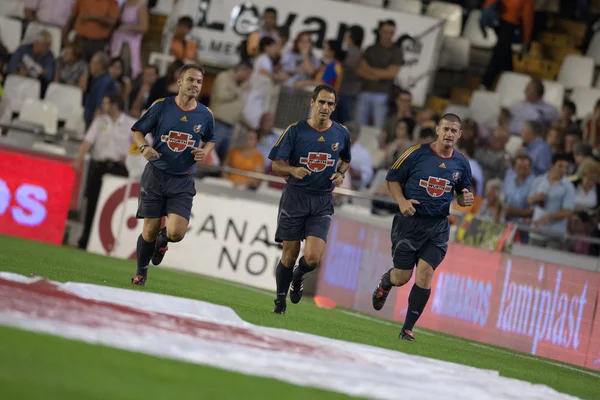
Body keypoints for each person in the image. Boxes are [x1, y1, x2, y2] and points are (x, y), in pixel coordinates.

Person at [371, 113, 474, 341]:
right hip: (409, 223)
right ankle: (386, 283)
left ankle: (407, 329)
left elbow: (461, 193)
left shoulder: (462, 163)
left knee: (425, 275)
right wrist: (402, 201)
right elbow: (392, 178)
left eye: (453, 131)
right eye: (445, 129)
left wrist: (463, 200)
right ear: (438, 129)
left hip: (437, 226)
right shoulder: (416, 153)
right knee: (402, 277)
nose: (449, 134)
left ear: (459, 134)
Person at [268, 84, 351, 314]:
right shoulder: (295, 131)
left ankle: (299, 274)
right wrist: (292, 170)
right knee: (290, 254)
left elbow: (345, 159)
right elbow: (276, 164)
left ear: (334, 107)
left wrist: (340, 174)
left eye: (330, 103)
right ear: (312, 103)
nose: (325, 107)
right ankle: (280, 300)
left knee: (313, 257)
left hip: (322, 200)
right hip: (295, 197)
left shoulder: (341, 133)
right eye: (321, 102)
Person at [130, 64, 215, 286]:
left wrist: (204, 152)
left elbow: (211, 139)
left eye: (199, 82)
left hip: (182, 178)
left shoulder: (205, 115)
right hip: (156, 175)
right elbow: (138, 131)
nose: (195, 85)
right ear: (179, 82)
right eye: (191, 80)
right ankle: (141, 272)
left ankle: (162, 241)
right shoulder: (161, 107)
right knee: (148, 230)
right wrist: (144, 148)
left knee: (176, 232)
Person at [73, 93, 134, 249]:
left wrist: (130, 156)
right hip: (99, 166)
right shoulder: (99, 121)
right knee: (92, 203)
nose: (103, 106)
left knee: (114, 206)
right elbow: (88, 141)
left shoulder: (130, 124)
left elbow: (144, 143)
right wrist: (79, 158)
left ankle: (110, 242)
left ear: (115, 105)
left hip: (118, 169)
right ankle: (85, 239)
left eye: (106, 103)